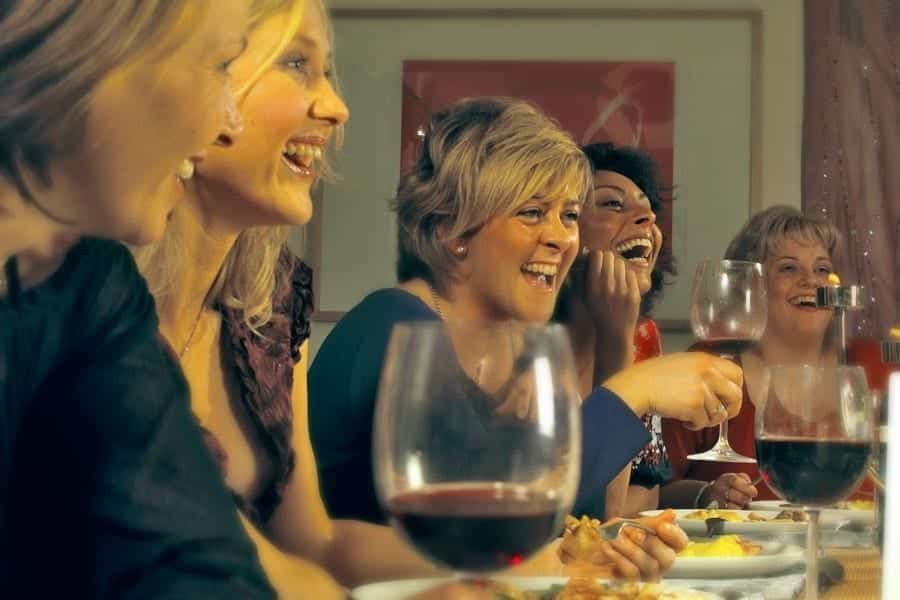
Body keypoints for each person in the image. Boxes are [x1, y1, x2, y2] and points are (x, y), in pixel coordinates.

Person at [309, 96, 745, 579]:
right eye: (533, 213)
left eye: (570, 215)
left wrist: (596, 557)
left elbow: (583, 512)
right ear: (452, 228)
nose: (561, 238)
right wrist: (636, 388)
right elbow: (482, 525)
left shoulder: (515, 348)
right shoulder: (391, 327)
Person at [136, 1, 465, 597]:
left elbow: (314, 544)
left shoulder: (271, 307)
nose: (336, 107)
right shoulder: (74, 303)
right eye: (295, 63)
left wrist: (529, 572)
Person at [0, 1, 278, 596]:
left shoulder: (91, 287)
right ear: (97, 41)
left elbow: (192, 560)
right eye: (223, 63)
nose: (229, 120)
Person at [661, 205, 865, 508]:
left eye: (822, 269)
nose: (811, 280)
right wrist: (705, 494)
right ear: (749, 286)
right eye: (788, 268)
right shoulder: (704, 370)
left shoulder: (871, 363)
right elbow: (651, 492)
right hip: (742, 552)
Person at [555, 142, 676, 518]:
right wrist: (616, 341)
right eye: (612, 204)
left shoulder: (642, 336)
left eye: (647, 206)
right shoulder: (523, 345)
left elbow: (645, 489)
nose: (648, 219)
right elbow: (597, 512)